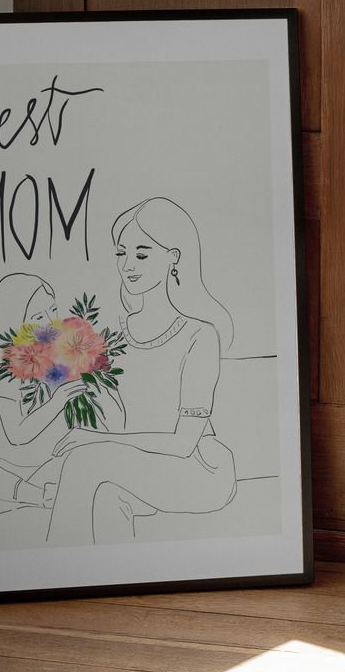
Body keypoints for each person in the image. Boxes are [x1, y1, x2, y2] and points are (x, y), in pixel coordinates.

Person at [46, 197, 237, 545]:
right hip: (136, 463)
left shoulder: (200, 335)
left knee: (85, 462)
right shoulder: (113, 335)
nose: (128, 265)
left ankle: (51, 566)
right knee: (103, 491)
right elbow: (112, 418)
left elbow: (183, 443)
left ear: (173, 257)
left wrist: (97, 440)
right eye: (121, 253)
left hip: (196, 468)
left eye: (142, 254)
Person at [0, 273, 98, 515]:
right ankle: (35, 497)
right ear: (14, 325)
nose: (50, 324)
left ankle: (12, 499)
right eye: (38, 318)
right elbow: (17, 434)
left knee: (85, 462)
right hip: (11, 469)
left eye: (52, 311)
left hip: (51, 466)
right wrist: (58, 401)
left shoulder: (63, 362)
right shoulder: (8, 373)